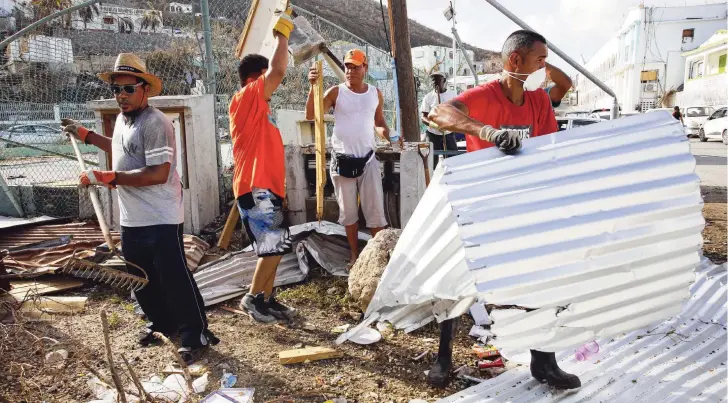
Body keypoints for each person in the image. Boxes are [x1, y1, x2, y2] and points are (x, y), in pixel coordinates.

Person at [426, 30, 580, 390]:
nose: (545, 67)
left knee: (537, 283)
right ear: (515, 60)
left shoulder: (538, 102)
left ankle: (544, 362)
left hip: (523, 207)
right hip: (480, 206)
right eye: (539, 59)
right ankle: (443, 357)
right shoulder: (484, 96)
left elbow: (544, 149)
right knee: (458, 281)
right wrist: (489, 132)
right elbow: (439, 113)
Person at [61, 53, 217, 364]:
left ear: (145, 89)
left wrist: (107, 177)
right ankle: (162, 324)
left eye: (128, 89)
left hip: (161, 216)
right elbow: (122, 148)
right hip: (133, 218)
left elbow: (158, 172)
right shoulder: (122, 119)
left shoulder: (156, 123)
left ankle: (194, 334)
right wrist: (86, 135)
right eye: (116, 90)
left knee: (174, 276)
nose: (121, 96)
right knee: (141, 277)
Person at [230, 9, 298, 324]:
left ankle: (268, 299)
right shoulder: (246, 97)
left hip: (266, 187)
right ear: (256, 77)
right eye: (266, 76)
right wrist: (282, 31)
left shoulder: (260, 108)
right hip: (255, 187)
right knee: (272, 246)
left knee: (277, 245)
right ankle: (253, 299)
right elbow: (279, 68)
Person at [305, 49, 401, 265]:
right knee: (348, 215)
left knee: (375, 213)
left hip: (368, 161)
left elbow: (378, 122)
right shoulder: (335, 93)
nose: (351, 70)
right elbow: (312, 115)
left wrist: (389, 135)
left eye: (356, 66)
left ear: (365, 68)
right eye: (348, 66)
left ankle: (378, 258)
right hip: (342, 162)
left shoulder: (375, 93)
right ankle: (354, 254)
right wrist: (312, 88)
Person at [421, 72, 458, 151]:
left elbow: (458, 114)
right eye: (433, 80)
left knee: (453, 159)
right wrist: (435, 126)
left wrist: (449, 124)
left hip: (449, 133)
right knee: (432, 160)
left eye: (438, 80)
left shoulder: (453, 95)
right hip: (432, 134)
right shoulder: (428, 98)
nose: (435, 83)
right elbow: (423, 118)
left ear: (444, 81)